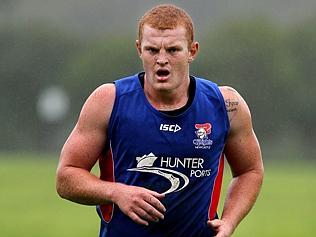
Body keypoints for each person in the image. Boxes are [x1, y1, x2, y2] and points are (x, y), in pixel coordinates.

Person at [56, 4, 264, 237]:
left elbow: (250, 171)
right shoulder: (108, 100)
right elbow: (66, 177)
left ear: (192, 51)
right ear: (139, 49)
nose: (161, 60)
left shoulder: (225, 105)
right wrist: (117, 193)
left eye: (173, 50)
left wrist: (229, 222)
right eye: (152, 50)